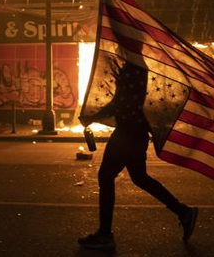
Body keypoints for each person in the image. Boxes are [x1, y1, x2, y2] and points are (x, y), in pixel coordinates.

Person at [78, 61, 198, 250]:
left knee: (106, 176)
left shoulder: (133, 67)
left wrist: (92, 117)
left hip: (128, 133)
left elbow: (121, 103)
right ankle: (182, 211)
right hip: (135, 132)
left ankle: (105, 235)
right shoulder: (135, 65)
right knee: (139, 177)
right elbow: (122, 102)